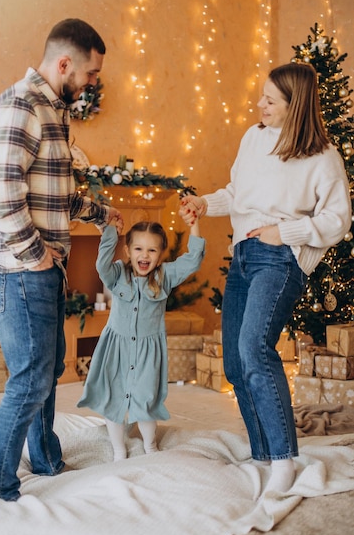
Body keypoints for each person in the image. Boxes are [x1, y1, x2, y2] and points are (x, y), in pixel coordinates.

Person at [180, 62, 351, 494]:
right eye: (262, 96)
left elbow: (338, 220)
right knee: (236, 364)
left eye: (270, 100)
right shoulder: (254, 138)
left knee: (254, 348)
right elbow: (238, 194)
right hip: (241, 255)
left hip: (280, 258)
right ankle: (263, 454)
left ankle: (284, 459)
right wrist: (203, 202)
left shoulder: (322, 157)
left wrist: (284, 233)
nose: (260, 105)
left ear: (295, 107)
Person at [0, 18, 122, 501]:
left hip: (39, 265)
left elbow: (55, 195)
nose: (93, 83)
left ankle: (46, 457)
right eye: (91, 73)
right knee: (32, 373)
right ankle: (1, 486)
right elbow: (2, 196)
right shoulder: (21, 105)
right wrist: (37, 257)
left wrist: (101, 213)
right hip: (18, 268)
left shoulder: (53, 109)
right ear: (65, 63)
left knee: (49, 364)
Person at [77, 216, 205, 461]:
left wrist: (194, 224)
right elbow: (101, 264)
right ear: (127, 250)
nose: (144, 255)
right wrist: (110, 232)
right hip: (117, 348)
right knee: (113, 396)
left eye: (152, 250)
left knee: (146, 399)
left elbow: (193, 260)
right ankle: (118, 449)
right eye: (138, 248)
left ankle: (150, 446)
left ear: (160, 254)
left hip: (148, 351)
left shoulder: (165, 276)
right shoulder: (117, 274)